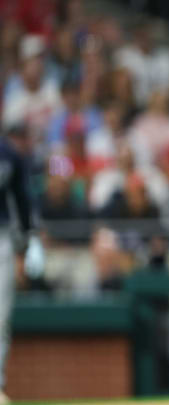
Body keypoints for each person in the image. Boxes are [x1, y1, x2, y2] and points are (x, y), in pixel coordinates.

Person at [0, 126, 33, 404]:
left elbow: (22, 205)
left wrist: (22, 251)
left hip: (2, 240)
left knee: (0, 318)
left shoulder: (8, 154)